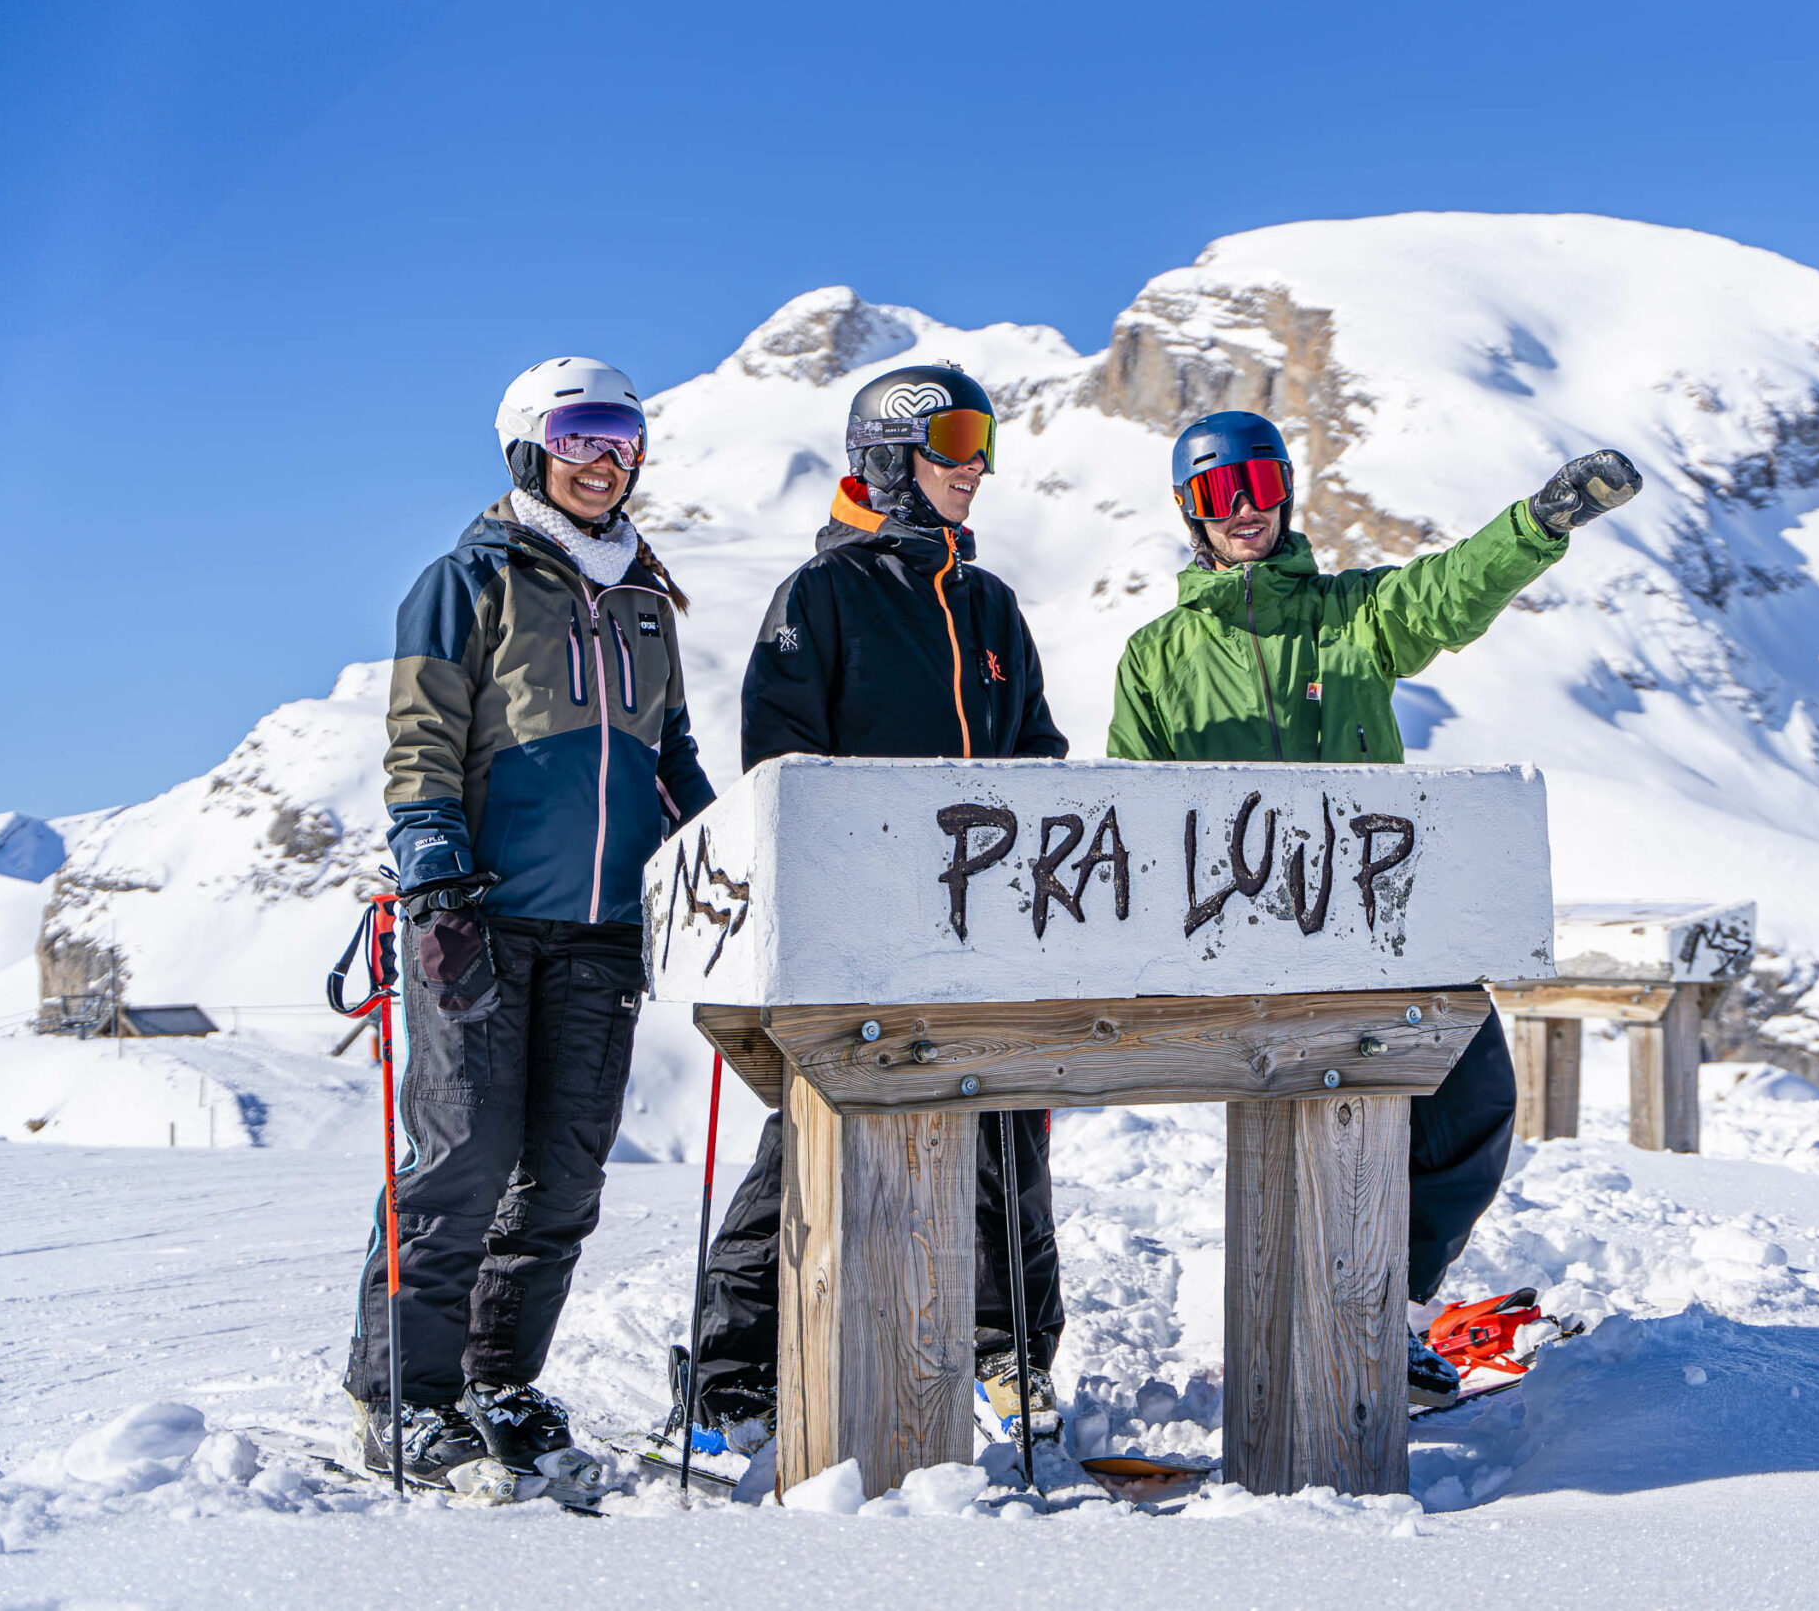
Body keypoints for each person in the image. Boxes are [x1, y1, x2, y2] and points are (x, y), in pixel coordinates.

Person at [1107, 410, 1642, 1404]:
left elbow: (1446, 593)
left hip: (1373, 917)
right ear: (1191, 511)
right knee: (1314, 1124)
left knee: (1471, 1090)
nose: (1249, 511)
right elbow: (1135, 807)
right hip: (1244, 940)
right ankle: (1300, 1331)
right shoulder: (1156, 657)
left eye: (1263, 484)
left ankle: (1378, 1310)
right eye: (1223, 494)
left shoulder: (1352, 616)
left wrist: (1538, 521)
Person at [680, 363, 1068, 1456]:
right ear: (889, 456)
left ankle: (1011, 1350)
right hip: (861, 933)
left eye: (984, 440)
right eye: (952, 440)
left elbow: (1037, 748)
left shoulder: (989, 604)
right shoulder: (823, 596)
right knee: (811, 1137)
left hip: (983, 930)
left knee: (1006, 1135)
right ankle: (730, 1375)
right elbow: (781, 760)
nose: (975, 465)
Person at [355, 357, 717, 1497]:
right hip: (483, 914)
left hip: (604, 927)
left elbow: (673, 762)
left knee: (562, 1175)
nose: (607, 461)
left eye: (623, 438)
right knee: (463, 1159)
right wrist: (433, 866)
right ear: (527, 449)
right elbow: (420, 736)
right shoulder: (472, 580)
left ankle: (496, 1381)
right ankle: (403, 1400)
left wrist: (719, 856)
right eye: (581, 437)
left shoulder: (648, 600)